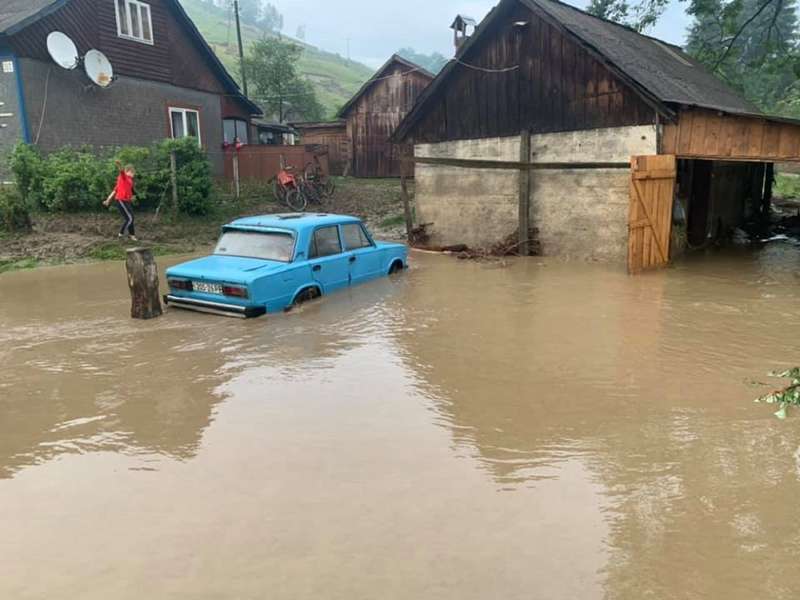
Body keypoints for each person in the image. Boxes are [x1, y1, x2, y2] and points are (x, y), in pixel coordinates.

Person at [104, 160, 137, 241]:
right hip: (121, 200)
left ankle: (132, 235)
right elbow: (122, 171)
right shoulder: (123, 177)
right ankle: (120, 234)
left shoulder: (129, 180)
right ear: (128, 171)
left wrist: (108, 200)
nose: (133, 174)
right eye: (132, 172)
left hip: (127, 201)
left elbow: (115, 190)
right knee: (130, 218)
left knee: (130, 218)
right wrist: (119, 165)